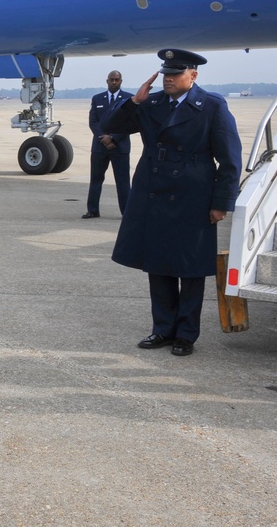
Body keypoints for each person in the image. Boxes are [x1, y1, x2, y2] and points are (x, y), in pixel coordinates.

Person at [102, 49, 242, 357]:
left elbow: (230, 160)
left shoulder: (212, 107)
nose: (167, 79)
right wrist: (135, 101)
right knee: (159, 263)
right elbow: (111, 125)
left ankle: (186, 334)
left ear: (193, 75)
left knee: (189, 267)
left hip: (193, 194)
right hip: (154, 191)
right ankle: (163, 329)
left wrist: (221, 203)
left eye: (175, 74)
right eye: (165, 74)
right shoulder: (151, 103)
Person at [82, 71, 132, 219]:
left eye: (117, 80)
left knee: (123, 182)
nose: (114, 82)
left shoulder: (128, 98)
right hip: (99, 147)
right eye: (112, 80)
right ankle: (93, 210)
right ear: (107, 81)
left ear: (121, 81)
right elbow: (93, 121)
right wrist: (103, 138)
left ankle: (126, 212)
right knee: (96, 179)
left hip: (120, 147)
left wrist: (113, 138)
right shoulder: (97, 99)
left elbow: (130, 123)